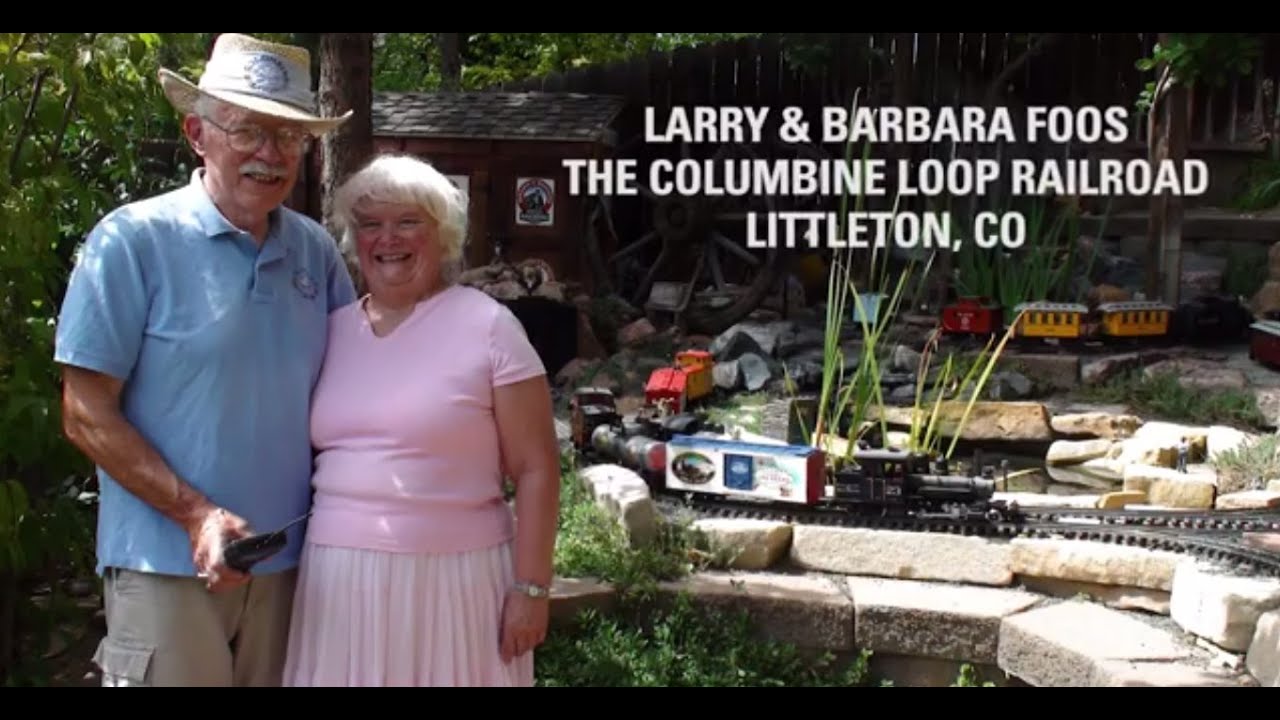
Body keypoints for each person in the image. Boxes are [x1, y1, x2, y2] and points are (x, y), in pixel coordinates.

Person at [54, 33, 357, 687]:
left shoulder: (315, 253)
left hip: (293, 568)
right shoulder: (132, 241)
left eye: (289, 135)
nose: (269, 154)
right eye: (249, 130)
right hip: (166, 566)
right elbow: (83, 414)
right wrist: (196, 515)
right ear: (198, 133)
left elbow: (352, 396)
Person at [281, 153, 562, 687]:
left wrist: (531, 589)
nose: (389, 239)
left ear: (444, 234)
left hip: (456, 579)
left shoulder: (490, 326)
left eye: (408, 221)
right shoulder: (330, 330)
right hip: (337, 582)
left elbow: (536, 468)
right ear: (353, 237)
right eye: (371, 224)